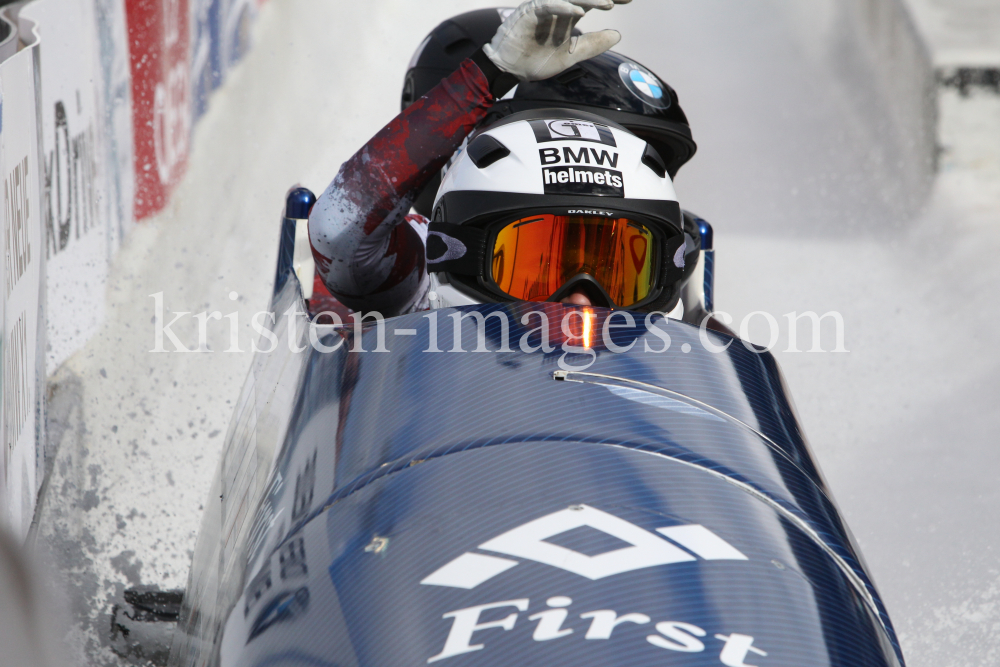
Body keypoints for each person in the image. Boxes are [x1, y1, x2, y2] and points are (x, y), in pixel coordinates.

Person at [308, 0, 717, 326]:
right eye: (539, 265)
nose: (579, 303)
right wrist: (490, 73)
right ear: (461, 259)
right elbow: (338, 229)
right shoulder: (424, 276)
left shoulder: (668, 316)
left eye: (616, 274)